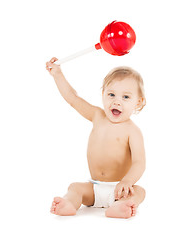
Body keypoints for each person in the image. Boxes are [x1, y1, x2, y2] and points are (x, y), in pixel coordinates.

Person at [46, 57, 146, 218]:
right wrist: (58, 75)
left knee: (140, 191)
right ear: (103, 94)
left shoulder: (132, 131)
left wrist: (127, 181)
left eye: (126, 97)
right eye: (111, 94)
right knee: (75, 187)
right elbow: (73, 99)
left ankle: (120, 206)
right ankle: (69, 203)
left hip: (119, 190)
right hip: (94, 187)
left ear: (138, 102)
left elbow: (139, 162)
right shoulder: (97, 116)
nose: (117, 102)